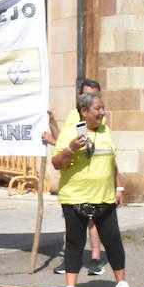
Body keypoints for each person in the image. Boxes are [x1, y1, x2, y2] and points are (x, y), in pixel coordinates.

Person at [50, 91, 132, 287]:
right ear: (84, 111)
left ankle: (121, 284)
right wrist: (71, 148)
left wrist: (119, 187)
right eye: (98, 109)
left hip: (104, 196)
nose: (103, 113)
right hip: (75, 196)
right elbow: (57, 164)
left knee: (113, 241)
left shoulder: (105, 131)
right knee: (75, 241)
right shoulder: (70, 132)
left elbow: (112, 161)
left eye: (103, 108)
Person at [45, 78, 107, 275]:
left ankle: (95, 258)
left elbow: (88, 145)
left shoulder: (98, 119)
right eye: (86, 94)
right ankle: (70, 261)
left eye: (94, 94)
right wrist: (52, 124)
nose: (90, 97)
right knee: (73, 222)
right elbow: (66, 141)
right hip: (73, 177)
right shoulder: (74, 114)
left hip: (91, 176)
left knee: (92, 220)